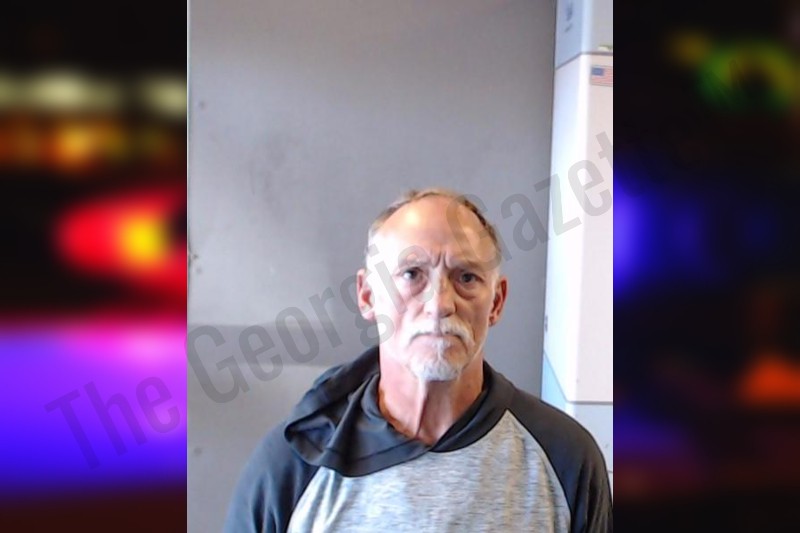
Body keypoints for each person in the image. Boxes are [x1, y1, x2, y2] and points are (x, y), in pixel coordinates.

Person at [224, 188, 612, 532]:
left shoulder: (565, 459)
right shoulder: (292, 466)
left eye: (467, 277)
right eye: (412, 274)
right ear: (367, 295)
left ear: (496, 302)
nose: (440, 304)